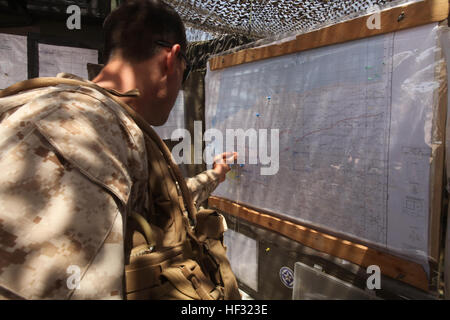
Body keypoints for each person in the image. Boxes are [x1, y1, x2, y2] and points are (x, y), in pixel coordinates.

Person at [0, 0, 239, 300]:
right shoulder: (78, 128)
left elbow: (160, 206)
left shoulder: (109, 126)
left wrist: (215, 175)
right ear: (171, 59)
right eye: (186, 72)